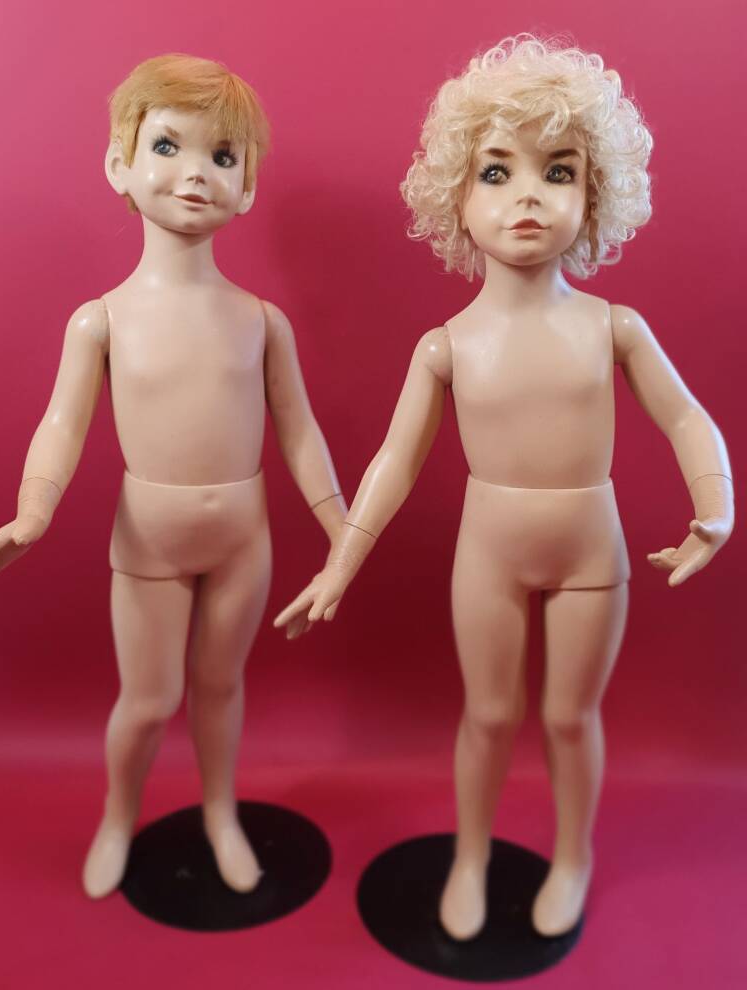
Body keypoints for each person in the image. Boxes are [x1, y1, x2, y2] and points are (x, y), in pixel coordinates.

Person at [274, 35, 733, 939]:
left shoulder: (614, 328)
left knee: (570, 718)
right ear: (456, 196)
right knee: (486, 717)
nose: (528, 194)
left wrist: (715, 505)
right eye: (497, 171)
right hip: (487, 555)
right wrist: (340, 564)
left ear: (594, 194)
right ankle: (472, 855)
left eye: (558, 171)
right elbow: (395, 462)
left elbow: (687, 417)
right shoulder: (446, 346)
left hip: (590, 553)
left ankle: (573, 856)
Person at [0, 54, 346, 900]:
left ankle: (220, 812)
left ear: (247, 187)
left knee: (220, 686)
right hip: (149, 544)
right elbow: (61, 425)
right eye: (168, 146)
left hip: (243, 540)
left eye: (222, 156)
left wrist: (341, 531)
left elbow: (299, 431)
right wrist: (33, 513)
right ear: (119, 164)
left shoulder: (261, 322)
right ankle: (118, 815)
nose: (195, 174)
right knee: (146, 699)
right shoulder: (101, 321)